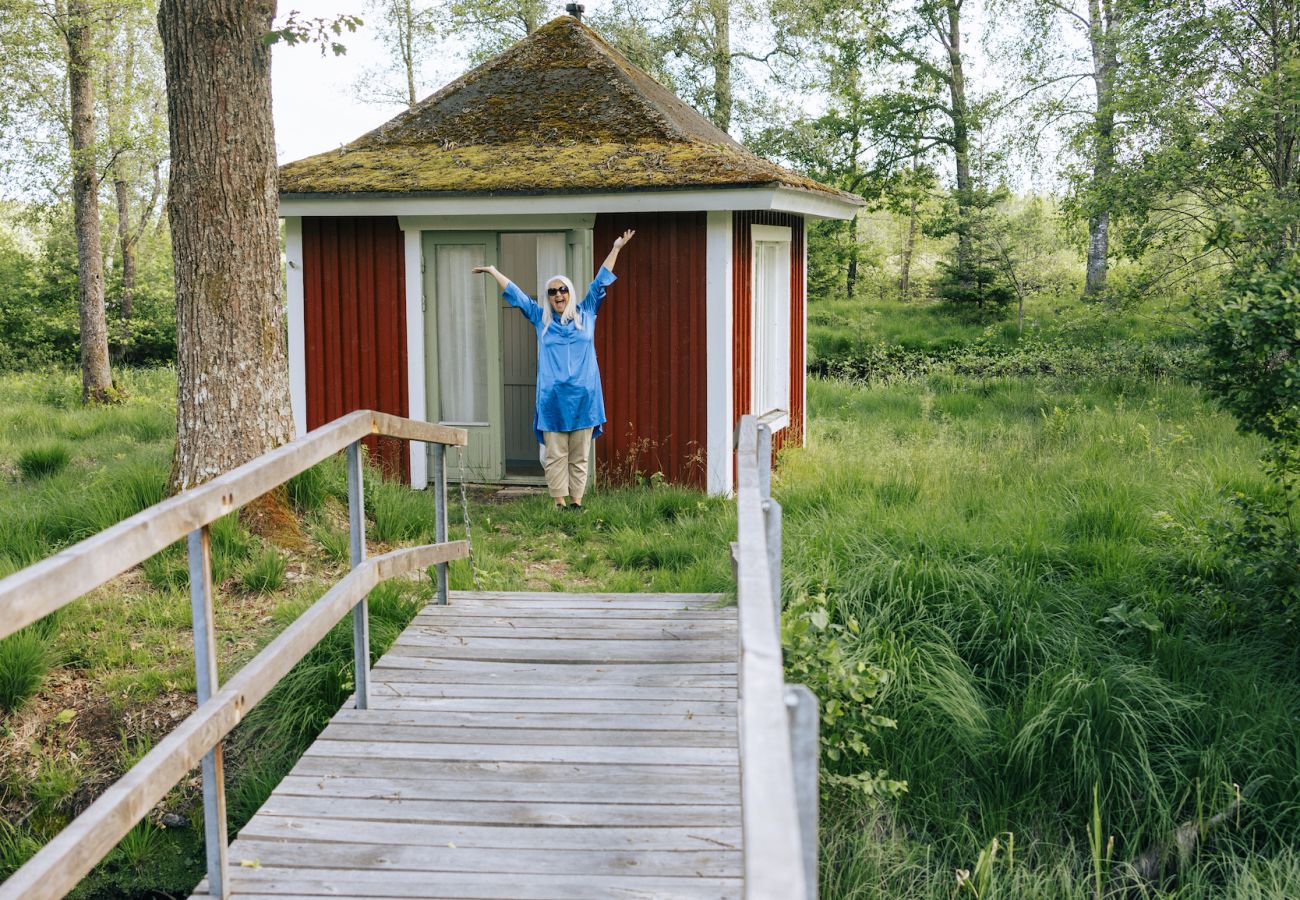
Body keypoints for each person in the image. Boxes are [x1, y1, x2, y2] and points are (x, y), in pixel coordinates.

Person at [473, 230, 635, 509]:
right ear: (548, 298)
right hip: (552, 400)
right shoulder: (541, 319)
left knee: (580, 455)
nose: (558, 294)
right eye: (552, 291)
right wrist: (493, 271)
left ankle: (576, 502)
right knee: (555, 454)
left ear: (570, 293)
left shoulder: (587, 313)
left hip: (584, 398)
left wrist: (616, 248)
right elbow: (519, 296)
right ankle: (559, 503)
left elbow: (600, 282)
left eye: (563, 290)